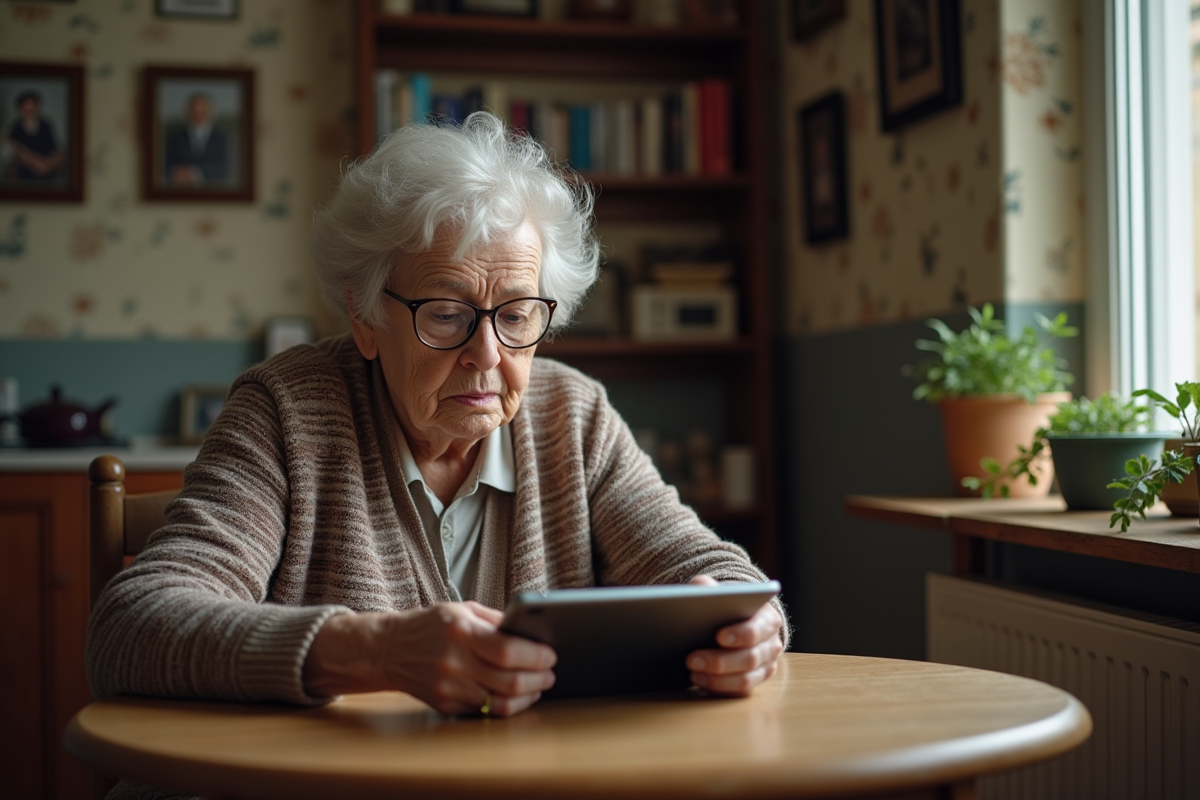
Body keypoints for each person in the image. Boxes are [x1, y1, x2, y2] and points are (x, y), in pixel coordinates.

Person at [87, 111, 787, 798]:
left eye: (516, 315)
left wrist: (748, 625)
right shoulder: (287, 411)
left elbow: (708, 569)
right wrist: (378, 651)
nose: (487, 357)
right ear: (365, 316)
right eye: (447, 314)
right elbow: (134, 628)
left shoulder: (571, 415)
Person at [163, 91, 230, 187]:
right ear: (187, 111)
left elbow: (224, 168)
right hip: (180, 191)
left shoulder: (222, 138)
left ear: (211, 111)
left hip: (213, 192)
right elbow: (167, 167)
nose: (198, 114)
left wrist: (194, 174)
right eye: (194, 110)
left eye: (202, 111)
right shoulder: (174, 137)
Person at [3, 91, 63, 182]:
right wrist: (37, 164)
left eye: (32, 106)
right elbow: (16, 151)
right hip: (26, 171)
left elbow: (54, 147)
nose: (29, 110)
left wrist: (48, 164)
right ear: (20, 109)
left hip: (47, 168)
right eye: (26, 107)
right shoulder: (15, 127)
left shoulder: (45, 125)